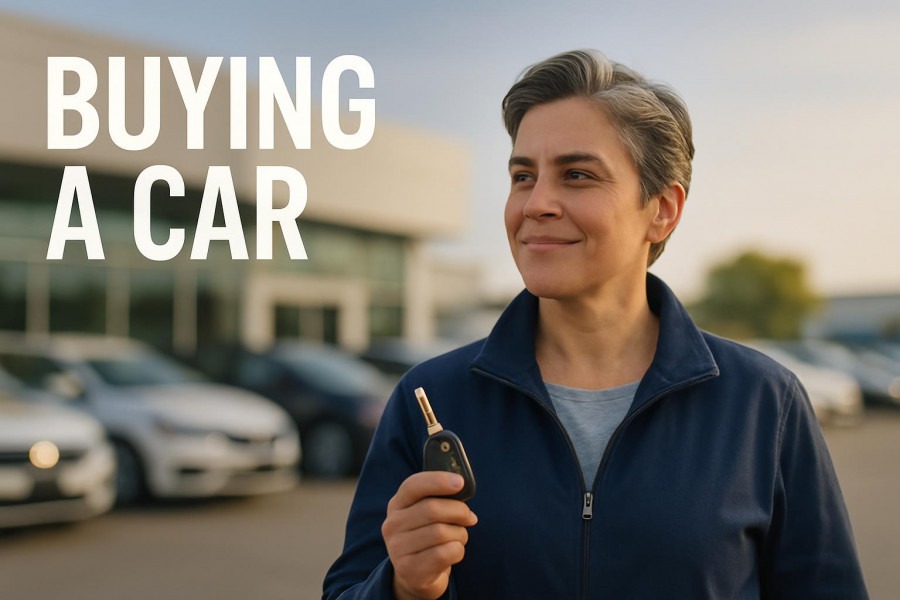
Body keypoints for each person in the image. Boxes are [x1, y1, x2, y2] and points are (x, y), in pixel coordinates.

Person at [322, 49, 868, 599]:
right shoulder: (430, 400)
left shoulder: (763, 403)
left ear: (662, 209)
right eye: (523, 176)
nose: (536, 203)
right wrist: (403, 587)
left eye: (577, 175)